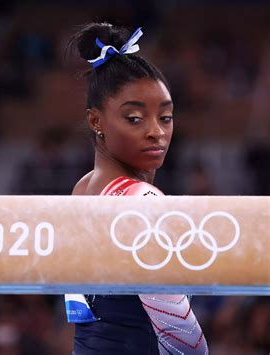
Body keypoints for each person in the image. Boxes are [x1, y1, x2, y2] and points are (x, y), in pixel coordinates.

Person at [64, 23, 208, 354]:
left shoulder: (83, 189)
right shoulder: (143, 203)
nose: (156, 132)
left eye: (166, 117)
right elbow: (184, 340)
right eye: (134, 118)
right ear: (95, 120)